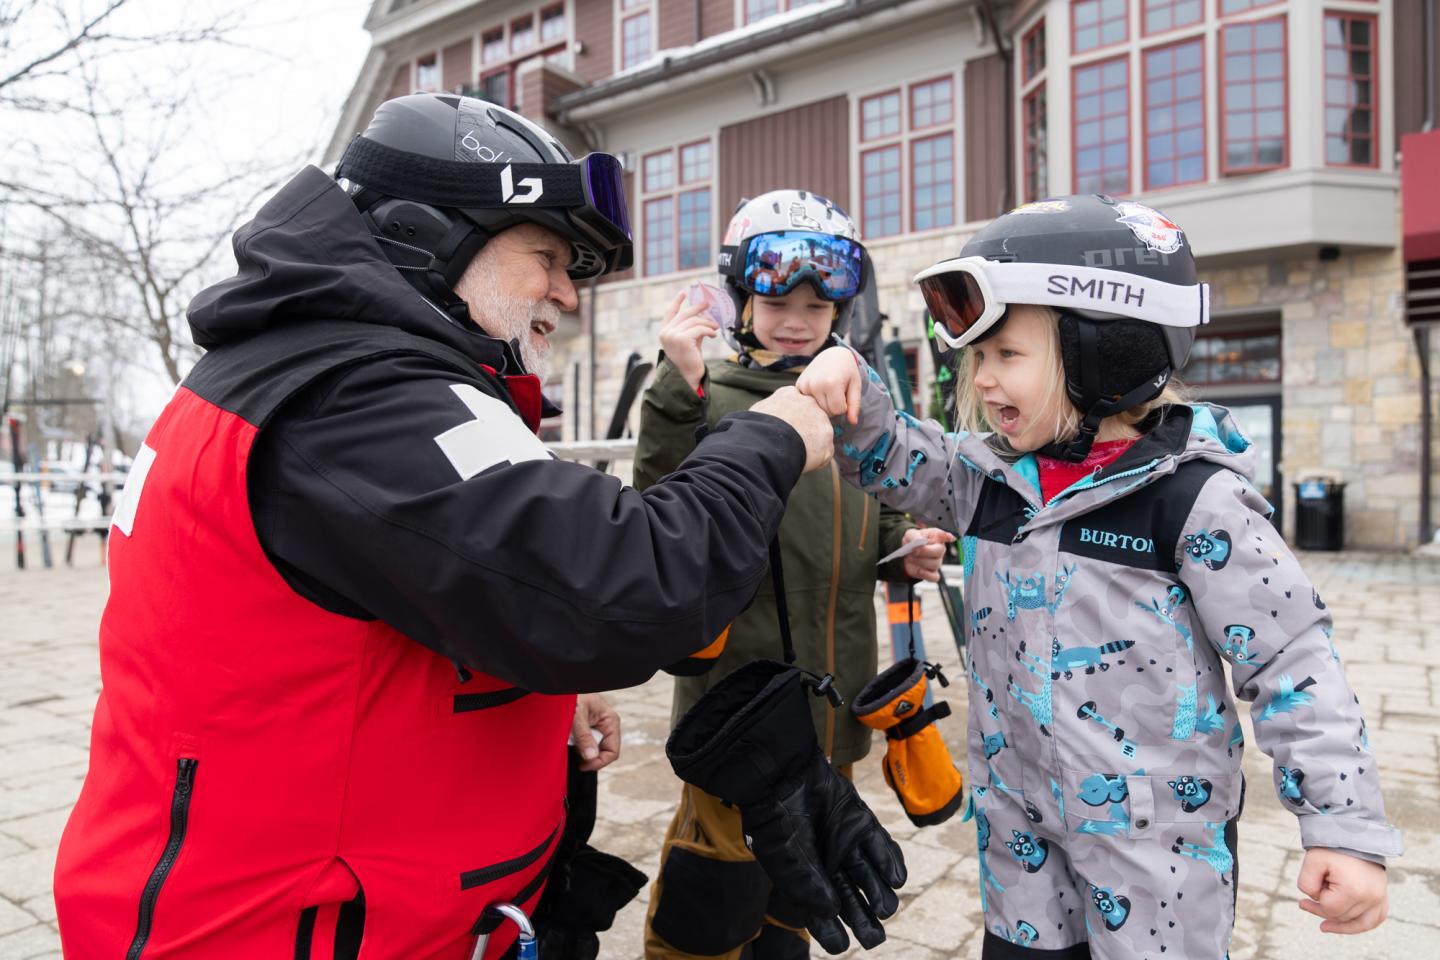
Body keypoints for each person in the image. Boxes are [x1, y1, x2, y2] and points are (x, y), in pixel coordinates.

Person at [52, 94, 838, 960]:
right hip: (287, 931)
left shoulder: (329, 371)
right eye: (545, 256)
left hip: (368, 911)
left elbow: (416, 595)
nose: (566, 295)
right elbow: (624, 587)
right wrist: (770, 435)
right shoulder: (354, 400)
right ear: (422, 235)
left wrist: (536, 701)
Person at [796, 194, 1402, 958]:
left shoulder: (1194, 501)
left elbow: (1294, 663)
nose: (982, 380)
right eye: (978, 358)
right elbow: (893, 451)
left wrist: (1343, 830)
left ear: (1104, 351)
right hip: (1018, 837)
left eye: (1006, 355)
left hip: (1156, 856)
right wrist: (840, 369)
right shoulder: (990, 483)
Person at [634, 190, 950, 960]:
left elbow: (869, 513)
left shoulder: (848, 405)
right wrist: (680, 384)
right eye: (778, 298)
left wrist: (903, 546)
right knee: (717, 892)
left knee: (801, 892)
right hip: (737, 712)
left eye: (817, 303)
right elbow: (655, 515)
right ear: (742, 297)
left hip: (829, 707)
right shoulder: (706, 397)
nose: (798, 318)